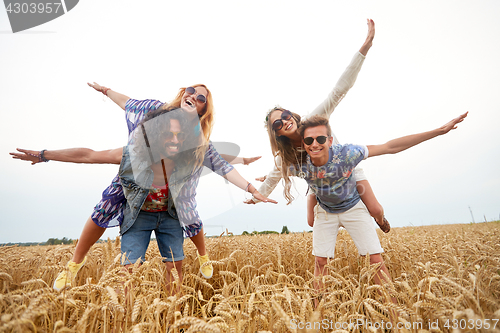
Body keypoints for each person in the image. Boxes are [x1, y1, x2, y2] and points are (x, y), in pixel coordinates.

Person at [12, 83, 258, 291]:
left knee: (188, 210)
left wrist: (250, 187)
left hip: (172, 194)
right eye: (191, 90)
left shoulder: (198, 143)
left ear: (204, 110)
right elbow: (122, 110)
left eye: (201, 97)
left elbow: (221, 165)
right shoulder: (155, 111)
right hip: (136, 173)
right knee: (105, 206)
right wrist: (106, 91)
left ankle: (202, 255)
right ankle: (74, 264)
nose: (193, 96)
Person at [296, 112, 467, 305]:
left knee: (374, 255)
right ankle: (318, 318)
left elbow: (389, 147)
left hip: (352, 202)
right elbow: (275, 173)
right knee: (320, 262)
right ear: (303, 143)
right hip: (326, 207)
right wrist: (259, 188)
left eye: (320, 138)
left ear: (330, 140)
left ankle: (395, 316)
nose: (314, 144)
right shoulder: (300, 163)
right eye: (309, 140)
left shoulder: (348, 153)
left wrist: (438, 131)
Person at [246, 19, 390, 234]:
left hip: (345, 170)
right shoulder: (283, 157)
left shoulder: (314, 120)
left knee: (375, 208)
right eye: (278, 123)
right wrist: (256, 197)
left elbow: (340, 89)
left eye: (285, 115)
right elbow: (275, 177)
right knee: (312, 223)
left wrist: (365, 47)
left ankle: (380, 220)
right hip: (320, 184)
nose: (285, 121)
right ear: (276, 133)